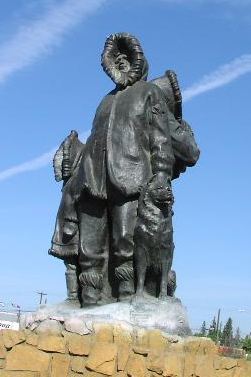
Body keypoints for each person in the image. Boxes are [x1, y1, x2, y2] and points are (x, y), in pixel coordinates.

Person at [69, 33, 175, 306]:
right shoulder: (104, 101)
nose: (121, 63)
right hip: (94, 178)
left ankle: (127, 297)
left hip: (132, 178)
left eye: (126, 58)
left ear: (136, 61)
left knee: (126, 240)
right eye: (116, 60)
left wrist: (162, 174)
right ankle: (90, 298)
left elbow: (161, 139)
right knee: (90, 244)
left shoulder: (150, 93)